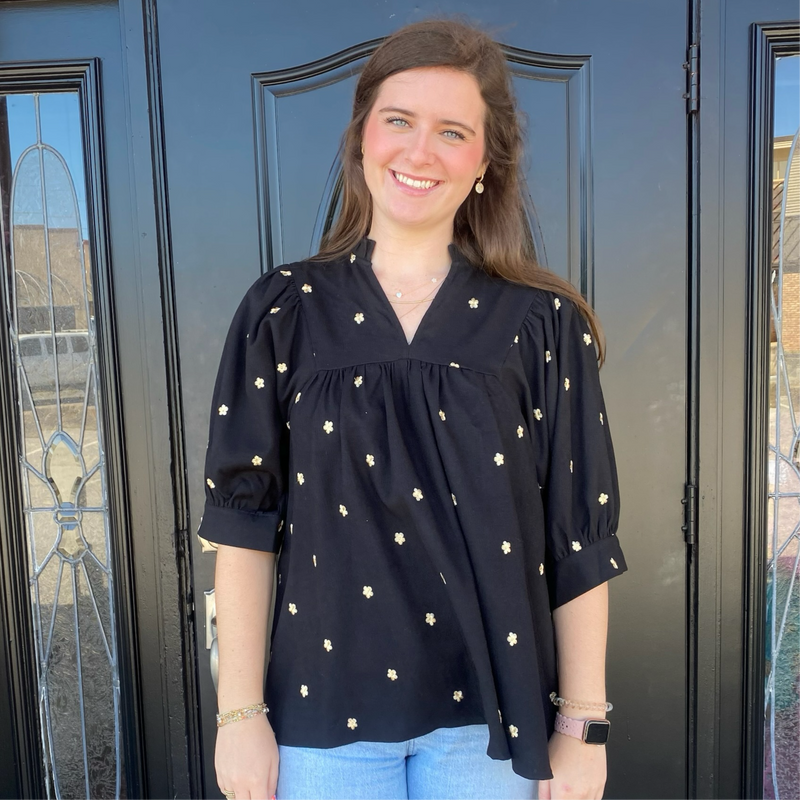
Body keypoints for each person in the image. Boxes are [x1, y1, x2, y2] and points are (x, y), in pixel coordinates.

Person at [199, 17, 628, 800]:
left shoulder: (540, 323)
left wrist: (584, 727)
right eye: (398, 120)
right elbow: (242, 525)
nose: (419, 151)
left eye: (452, 132)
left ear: (485, 166)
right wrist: (239, 716)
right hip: (320, 719)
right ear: (363, 136)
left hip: (491, 724)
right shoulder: (281, 312)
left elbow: (581, 538)